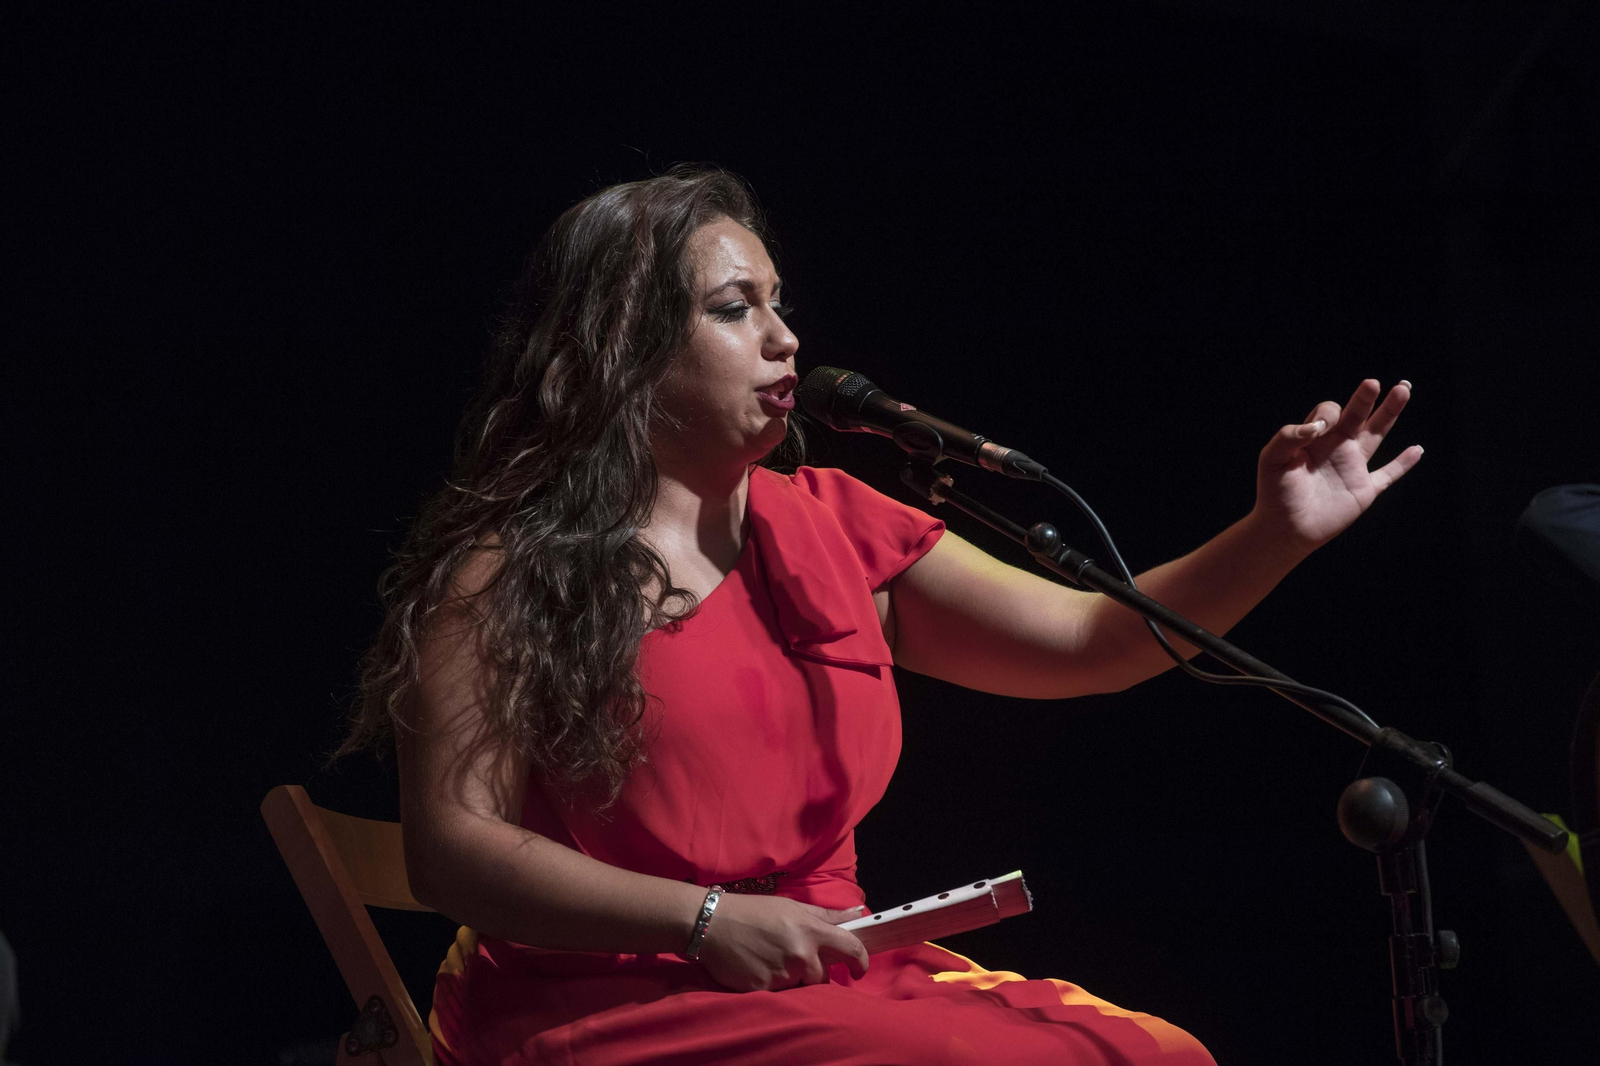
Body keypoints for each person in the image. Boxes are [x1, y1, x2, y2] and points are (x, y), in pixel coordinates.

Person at [340, 166, 1422, 1065]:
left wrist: (1272, 530)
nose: (784, 340)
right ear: (623, 351)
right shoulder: (505, 573)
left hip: (823, 963)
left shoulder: (835, 527)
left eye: (778, 303)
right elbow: (454, 851)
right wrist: (706, 920)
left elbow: (1097, 641)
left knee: (1154, 1056)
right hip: (611, 1000)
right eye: (733, 309)